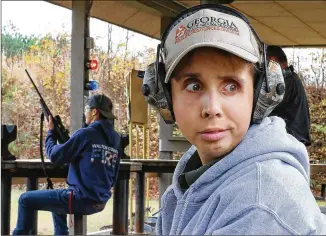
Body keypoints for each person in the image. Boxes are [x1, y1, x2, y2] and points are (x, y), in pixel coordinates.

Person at [142, 3, 326, 235]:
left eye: (231, 86)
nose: (212, 108)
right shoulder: (187, 183)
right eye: (194, 85)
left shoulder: (259, 204)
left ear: (259, 97)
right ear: (166, 98)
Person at [13, 94, 122, 235]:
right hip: (100, 201)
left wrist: (51, 133)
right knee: (57, 206)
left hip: (80, 199)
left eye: (87, 109)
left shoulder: (86, 134)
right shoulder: (116, 139)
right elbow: (113, 176)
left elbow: (54, 155)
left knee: (24, 200)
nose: (85, 113)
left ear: (95, 112)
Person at [267, 45, 311, 146]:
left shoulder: (287, 81)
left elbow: (266, 105)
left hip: (292, 139)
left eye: (266, 63)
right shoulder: (290, 78)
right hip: (292, 138)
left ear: (272, 61)